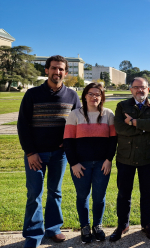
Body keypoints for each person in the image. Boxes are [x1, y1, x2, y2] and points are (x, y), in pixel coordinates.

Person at [17, 55, 81, 248]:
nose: (57, 72)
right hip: (36, 154)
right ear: (46, 70)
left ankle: (53, 228)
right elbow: (23, 126)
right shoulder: (32, 94)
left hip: (59, 155)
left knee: (55, 192)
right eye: (54, 68)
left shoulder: (72, 96)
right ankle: (34, 233)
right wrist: (30, 152)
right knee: (34, 193)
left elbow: (76, 123)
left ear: (66, 72)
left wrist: (68, 144)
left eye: (61, 69)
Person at [110, 77, 150, 241]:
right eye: (136, 87)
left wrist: (133, 122)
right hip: (126, 157)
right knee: (123, 194)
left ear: (148, 89)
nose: (140, 90)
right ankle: (122, 225)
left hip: (148, 158)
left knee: (147, 193)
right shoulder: (122, 106)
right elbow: (120, 128)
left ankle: (146, 224)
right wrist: (144, 127)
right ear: (131, 89)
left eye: (143, 87)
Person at [63, 83, 117, 243]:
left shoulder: (108, 114)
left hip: (102, 164)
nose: (94, 97)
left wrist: (108, 160)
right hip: (81, 164)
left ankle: (97, 226)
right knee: (82, 196)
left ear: (102, 97)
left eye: (98, 94)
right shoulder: (75, 114)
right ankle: (85, 226)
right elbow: (68, 141)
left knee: (99, 197)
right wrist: (73, 163)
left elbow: (113, 140)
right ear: (85, 95)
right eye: (91, 94)